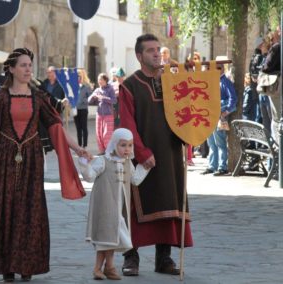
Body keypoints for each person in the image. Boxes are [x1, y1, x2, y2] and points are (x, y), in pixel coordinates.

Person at [0, 48, 88, 282]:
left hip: (32, 159)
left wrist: (77, 148)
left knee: (30, 210)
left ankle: (27, 264)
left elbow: (56, 127)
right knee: (6, 208)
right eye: (23, 65)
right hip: (5, 159)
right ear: (11, 69)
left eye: (30, 65)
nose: (28, 69)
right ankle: (7, 266)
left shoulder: (39, 97)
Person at [118, 33, 193, 276]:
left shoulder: (172, 82)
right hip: (142, 158)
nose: (156, 53)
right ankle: (131, 257)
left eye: (158, 49)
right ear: (139, 56)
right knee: (135, 208)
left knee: (169, 203)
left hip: (170, 154)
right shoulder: (129, 86)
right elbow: (127, 124)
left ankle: (164, 258)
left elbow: (186, 112)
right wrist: (140, 152)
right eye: (150, 50)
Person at [79, 128, 150, 280]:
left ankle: (108, 267)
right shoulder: (103, 161)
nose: (127, 149)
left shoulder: (128, 163)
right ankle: (99, 268)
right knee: (105, 238)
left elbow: (135, 179)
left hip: (119, 209)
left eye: (130, 145)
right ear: (114, 144)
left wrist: (145, 167)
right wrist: (84, 163)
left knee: (111, 238)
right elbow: (89, 177)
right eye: (123, 145)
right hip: (105, 207)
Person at [202, 64, 237, 176]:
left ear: (222, 69)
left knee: (220, 142)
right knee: (211, 142)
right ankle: (212, 166)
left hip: (218, 115)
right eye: (214, 68)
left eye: (218, 68)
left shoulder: (225, 81)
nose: (215, 70)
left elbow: (233, 98)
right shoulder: (213, 81)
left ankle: (222, 167)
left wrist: (226, 111)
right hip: (209, 115)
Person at [88, 73, 117, 154]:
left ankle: (109, 151)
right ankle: (102, 151)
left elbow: (114, 100)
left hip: (108, 115)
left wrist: (103, 98)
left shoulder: (110, 89)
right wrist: (93, 96)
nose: (99, 81)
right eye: (98, 79)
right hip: (99, 115)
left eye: (101, 79)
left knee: (106, 135)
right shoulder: (97, 90)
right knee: (99, 134)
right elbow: (88, 101)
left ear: (105, 80)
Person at [74, 69, 92, 148]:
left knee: (84, 127)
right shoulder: (74, 85)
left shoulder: (87, 86)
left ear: (83, 75)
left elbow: (90, 98)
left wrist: (82, 100)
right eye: (77, 75)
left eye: (79, 75)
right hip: (75, 109)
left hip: (83, 109)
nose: (78, 76)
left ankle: (84, 145)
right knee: (78, 128)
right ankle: (79, 144)